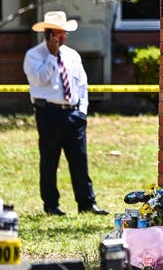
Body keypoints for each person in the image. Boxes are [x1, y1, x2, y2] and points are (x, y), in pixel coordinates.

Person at [23, 11, 109, 216]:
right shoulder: (34, 56)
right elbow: (40, 80)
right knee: (50, 160)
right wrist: (52, 57)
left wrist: (82, 111)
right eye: (61, 32)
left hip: (73, 114)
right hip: (49, 113)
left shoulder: (72, 55)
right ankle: (51, 205)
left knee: (79, 159)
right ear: (50, 34)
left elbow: (82, 84)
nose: (65, 36)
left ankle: (86, 203)